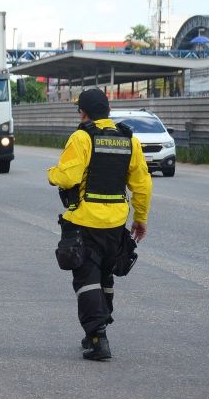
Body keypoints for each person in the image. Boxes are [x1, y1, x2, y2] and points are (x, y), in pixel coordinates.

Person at [47, 89, 152, 361]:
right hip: (116, 223)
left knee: (86, 280)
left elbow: (67, 177)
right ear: (108, 109)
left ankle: (97, 338)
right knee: (105, 276)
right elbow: (141, 185)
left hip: (85, 222)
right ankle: (100, 324)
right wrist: (140, 218)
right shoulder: (130, 140)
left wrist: (51, 174)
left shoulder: (82, 137)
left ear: (83, 112)